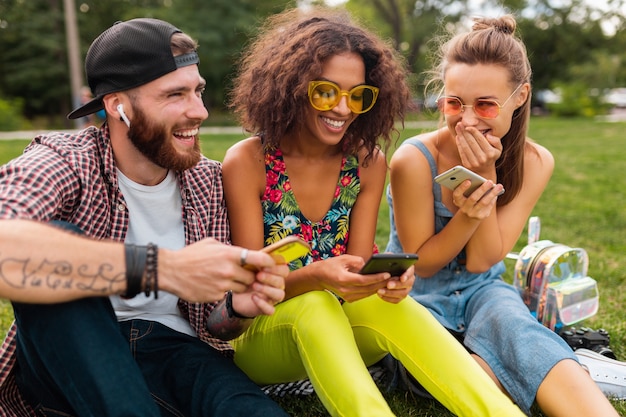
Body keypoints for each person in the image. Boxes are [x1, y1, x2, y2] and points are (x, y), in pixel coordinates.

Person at [222, 7, 526, 417]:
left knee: (394, 307)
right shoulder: (248, 161)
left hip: (341, 329)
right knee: (316, 305)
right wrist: (315, 276)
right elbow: (250, 289)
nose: (344, 109)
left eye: (358, 95)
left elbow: (360, 260)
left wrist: (387, 282)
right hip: (263, 336)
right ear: (292, 87)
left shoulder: (366, 161)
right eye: (326, 92)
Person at [0, 18, 290, 416]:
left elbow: (215, 325)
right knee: (50, 239)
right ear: (118, 106)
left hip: (177, 352)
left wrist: (238, 308)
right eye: (175, 94)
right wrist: (160, 268)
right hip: (75, 350)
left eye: (198, 91)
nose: (199, 111)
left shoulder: (207, 180)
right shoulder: (64, 160)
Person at [385, 15, 620, 417]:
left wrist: (487, 178)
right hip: (418, 300)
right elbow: (421, 264)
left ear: (521, 96)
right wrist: (469, 211)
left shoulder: (535, 161)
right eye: (454, 103)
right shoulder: (412, 159)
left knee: (523, 335)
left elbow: (481, 261)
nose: (469, 119)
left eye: (486, 104)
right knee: (451, 367)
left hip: (484, 291)